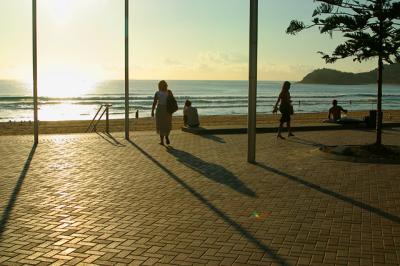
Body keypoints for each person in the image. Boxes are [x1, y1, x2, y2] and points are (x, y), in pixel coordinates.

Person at [151, 80, 172, 145]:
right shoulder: (169, 92)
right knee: (167, 124)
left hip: (160, 109)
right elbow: (172, 101)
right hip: (167, 109)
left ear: (159, 86)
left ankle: (162, 141)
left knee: (160, 125)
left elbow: (154, 103)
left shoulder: (157, 93)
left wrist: (152, 111)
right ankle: (167, 136)